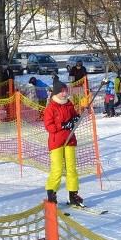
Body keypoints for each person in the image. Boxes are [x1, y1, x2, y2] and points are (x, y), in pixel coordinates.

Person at [43, 79, 84, 207]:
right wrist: (64, 125)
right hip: (57, 142)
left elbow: (73, 117)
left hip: (70, 140)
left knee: (72, 168)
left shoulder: (69, 104)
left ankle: (73, 194)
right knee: (58, 169)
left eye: (66, 92)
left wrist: (76, 118)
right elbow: (49, 127)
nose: (65, 94)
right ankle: (52, 193)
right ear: (56, 94)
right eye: (62, 92)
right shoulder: (51, 108)